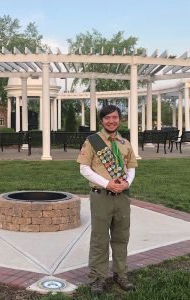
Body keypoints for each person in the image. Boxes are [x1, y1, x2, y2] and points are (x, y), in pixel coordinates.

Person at [77, 105, 138, 294]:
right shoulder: (92, 141)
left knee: (121, 237)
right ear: (102, 121)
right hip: (101, 196)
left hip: (122, 196)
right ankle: (97, 278)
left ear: (120, 119)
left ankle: (121, 274)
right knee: (100, 238)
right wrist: (107, 183)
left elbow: (131, 167)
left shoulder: (125, 143)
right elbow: (84, 169)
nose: (111, 121)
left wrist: (127, 182)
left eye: (115, 117)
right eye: (107, 118)